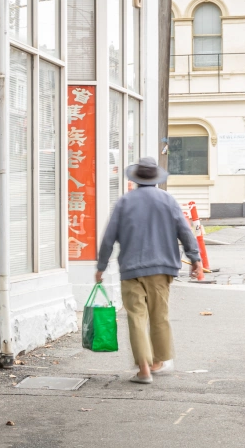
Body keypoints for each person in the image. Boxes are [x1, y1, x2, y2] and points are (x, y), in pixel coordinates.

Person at [96, 156, 202, 385]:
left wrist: (101, 266)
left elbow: (108, 238)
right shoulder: (168, 200)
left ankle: (143, 368)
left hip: (131, 269)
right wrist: (195, 259)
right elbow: (185, 232)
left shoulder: (124, 202)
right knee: (159, 316)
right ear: (155, 178)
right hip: (161, 270)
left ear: (135, 179)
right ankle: (158, 362)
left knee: (136, 318)